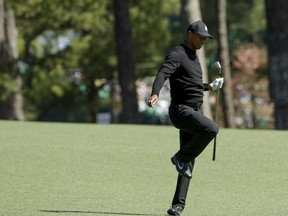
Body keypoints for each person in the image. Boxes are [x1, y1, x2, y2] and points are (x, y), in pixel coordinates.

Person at [147, 20, 224, 216]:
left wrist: (210, 86)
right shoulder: (178, 54)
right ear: (190, 33)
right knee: (212, 129)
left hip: (195, 111)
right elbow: (162, 73)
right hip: (181, 111)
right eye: (200, 37)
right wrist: (155, 92)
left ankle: (177, 206)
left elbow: (191, 85)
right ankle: (179, 157)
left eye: (205, 38)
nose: (202, 41)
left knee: (188, 163)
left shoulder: (193, 56)